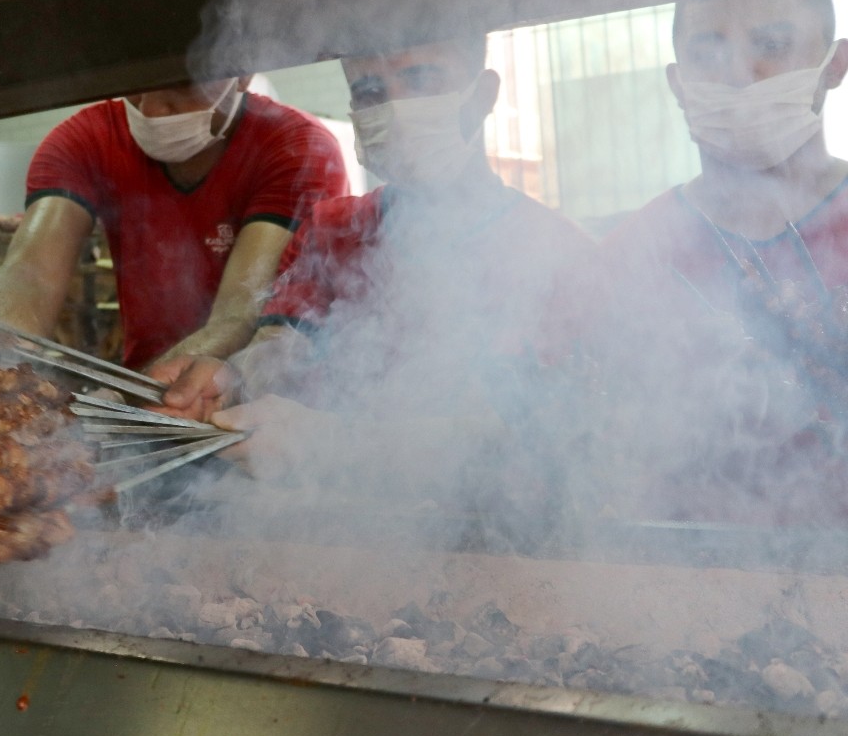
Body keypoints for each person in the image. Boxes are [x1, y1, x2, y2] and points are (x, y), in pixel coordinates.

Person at [157, 36, 590, 498]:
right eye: (369, 91)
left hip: (493, 543)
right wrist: (232, 378)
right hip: (343, 532)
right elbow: (284, 344)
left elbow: (528, 434)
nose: (395, 108)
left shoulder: (556, 254)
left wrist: (338, 443)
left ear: (483, 95)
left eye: (420, 78)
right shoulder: (335, 227)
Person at [550, 0, 848, 523]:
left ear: (834, 63)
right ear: (678, 82)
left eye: (772, 44)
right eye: (707, 51)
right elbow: (592, 451)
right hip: (684, 580)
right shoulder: (627, 259)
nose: (738, 72)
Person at [0, 77, 347, 371]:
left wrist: (130, 398)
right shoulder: (87, 139)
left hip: (255, 409)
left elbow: (241, 313)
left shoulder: (294, 147)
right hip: (146, 392)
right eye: (134, 88)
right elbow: (29, 277)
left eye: (183, 86)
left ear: (241, 72)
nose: (152, 110)